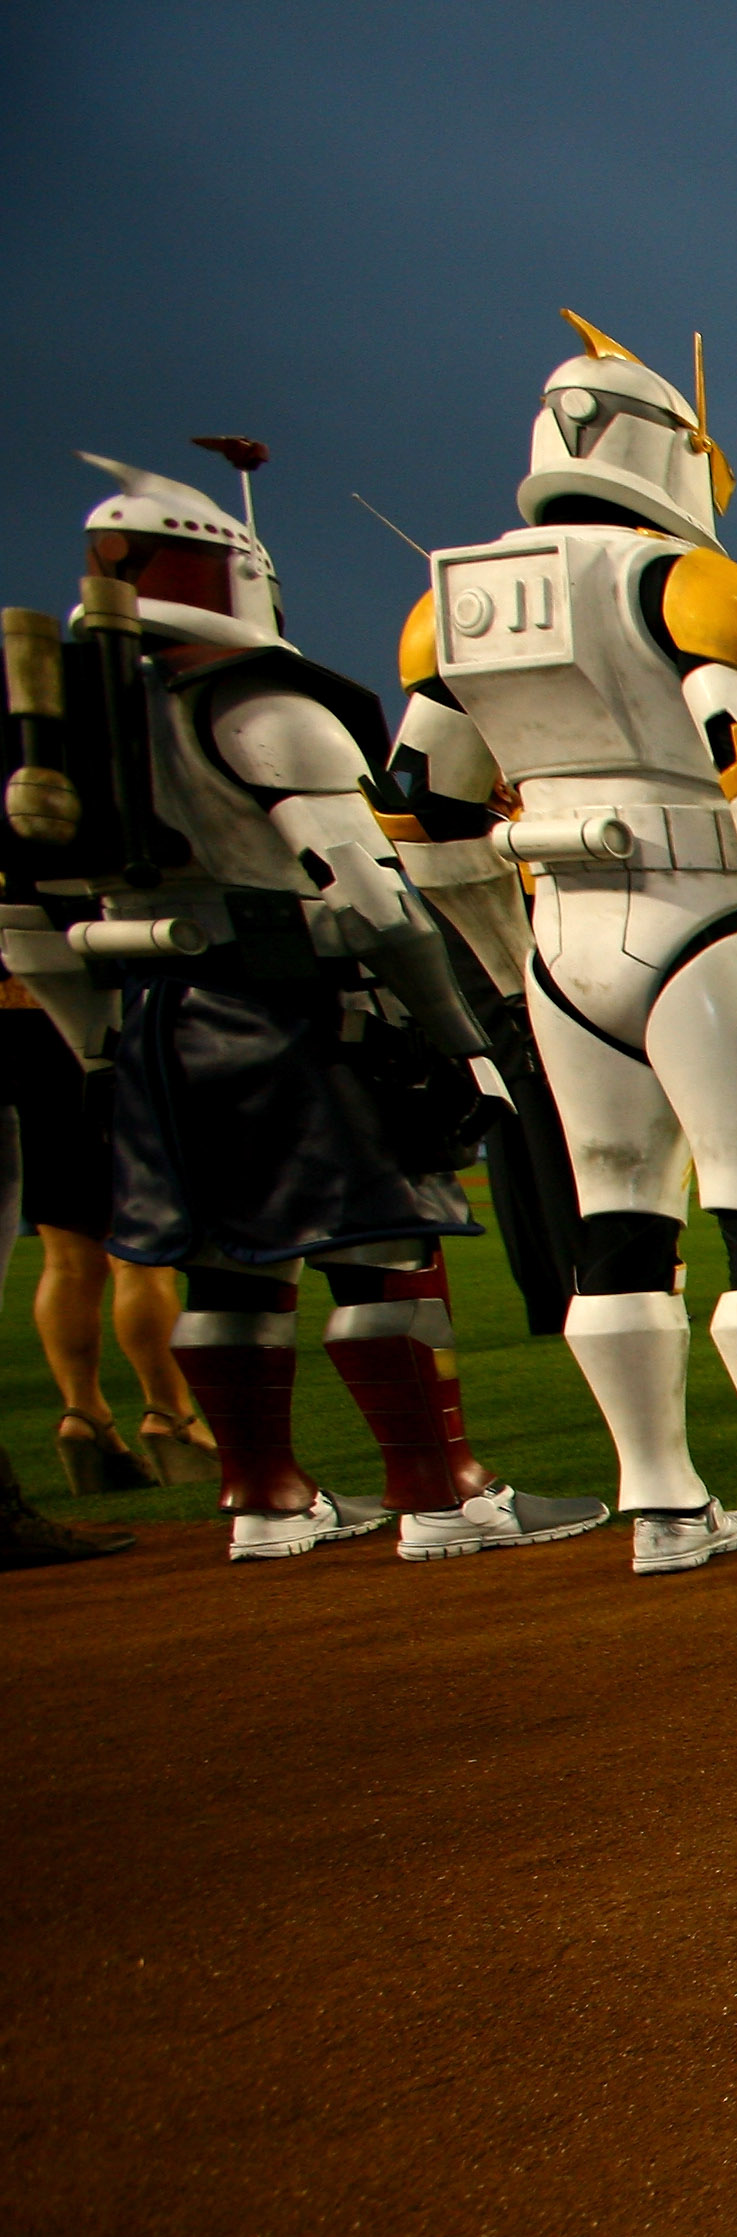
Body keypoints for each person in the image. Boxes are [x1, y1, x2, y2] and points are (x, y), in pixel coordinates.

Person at [390, 315, 737, 1576]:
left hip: (554, 931)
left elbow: (419, 821)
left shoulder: (451, 613)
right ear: (673, 449)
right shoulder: (698, 585)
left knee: (618, 1216)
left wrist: (500, 966)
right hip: (708, 916)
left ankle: (661, 1506)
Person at [3, 454, 603, 1565]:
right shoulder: (266, 702)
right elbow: (375, 896)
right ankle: (441, 1489)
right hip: (290, 1010)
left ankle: (265, 1499)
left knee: (230, 1264)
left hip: (149, 1018)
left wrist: (96, 1053)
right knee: (387, 1247)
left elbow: (27, 923)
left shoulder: (76, 729)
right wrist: (459, 1038)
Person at [3, 978, 198, 1484]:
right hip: (98, 1022)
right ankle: (170, 1415)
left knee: (65, 1258)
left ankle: (83, 1415)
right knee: (139, 1252)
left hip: (17, 1031)